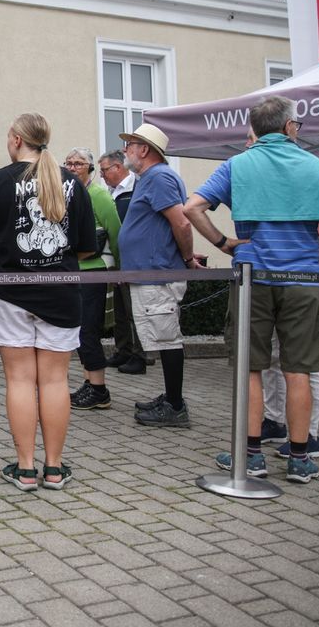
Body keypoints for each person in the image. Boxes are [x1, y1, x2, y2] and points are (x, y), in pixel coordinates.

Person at [186, 96, 319, 483]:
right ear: (289, 127)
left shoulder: (238, 164)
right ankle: (300, 458)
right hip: (303, 279)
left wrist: (223, 244)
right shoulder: (316, 166)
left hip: (252, 276)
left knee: (250, 367)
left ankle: (251, 454)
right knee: (298, 370)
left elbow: (192, 208)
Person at [0, 113, 97, 491]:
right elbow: (88, 246)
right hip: (59, 291)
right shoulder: (71, 181)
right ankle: (54, 468)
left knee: (20, 381)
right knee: (56, 381)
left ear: (15, 139)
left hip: (9, 292)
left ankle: (26, 469)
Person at [119, 124, 199, 427]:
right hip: (152, 272)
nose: (126, 149)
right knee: (164, 338)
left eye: (130, 144)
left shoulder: (159, 177)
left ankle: (175, 406)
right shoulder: (150, 178)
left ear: (144, 150)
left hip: (158, 274)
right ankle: (171, 397)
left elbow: (181, 223)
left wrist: (188, 257)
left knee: (167, 339)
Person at [65, 147, 121, 410]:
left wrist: (121, 269)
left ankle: (100, 389)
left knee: (88, 330)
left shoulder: (97, 195)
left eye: (78, 163)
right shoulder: (70, 193)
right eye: (69, 163)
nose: (73, 167)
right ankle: (90, 383)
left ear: (90, 168)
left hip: (94, 269)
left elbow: (115, 232)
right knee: (79, 331)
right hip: (74, 270)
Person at [99, 149, 147, 373]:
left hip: (134, 260)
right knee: (119, 308)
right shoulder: (109, 192)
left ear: (118, 167)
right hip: (116, 259)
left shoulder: (137, 188)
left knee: (133, 308)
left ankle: (141, 355)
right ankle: (124, 350)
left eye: (104, 170)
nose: (102, 175)